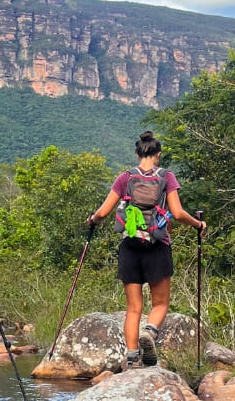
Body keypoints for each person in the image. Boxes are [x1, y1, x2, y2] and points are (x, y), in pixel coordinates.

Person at [87, 130, 206, 371]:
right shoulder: (167, 177)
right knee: (160, 303)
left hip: (130, 247)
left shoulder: (125, 178)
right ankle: (150, 332)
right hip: (157, 246)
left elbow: (102, 212)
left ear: (137, 153)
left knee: (133, 308)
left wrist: (92, 221)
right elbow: (179, 212)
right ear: (158, 155)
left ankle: (132, 358)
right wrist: (199, 224)